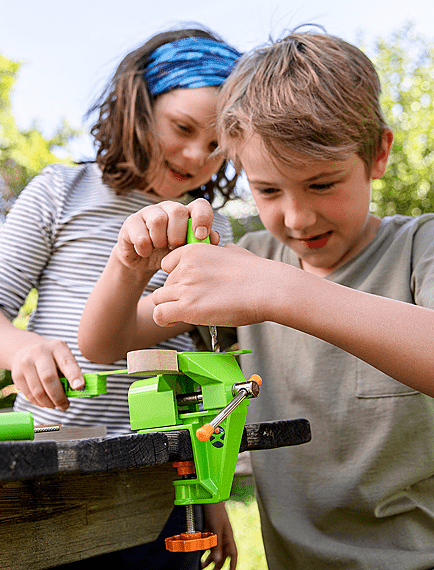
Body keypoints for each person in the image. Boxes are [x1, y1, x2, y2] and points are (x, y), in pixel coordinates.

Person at [78, 31, 434, 570]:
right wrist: (129, 266)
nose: (296, 217)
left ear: (378, 154)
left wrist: (280, 290)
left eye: (322, 184)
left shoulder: (418, 248)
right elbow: (105, 345)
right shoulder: (251, 261)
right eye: (267, 190)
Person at [0, 27, 243, 570]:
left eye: (217, 147)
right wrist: (21, 348)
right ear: (139, 106)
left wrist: (210, 492)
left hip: (160, 479)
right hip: (47, 466)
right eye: (182, 128)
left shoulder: (211, 229)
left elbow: (196, 374)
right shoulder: (59, 191)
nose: (195, 156)